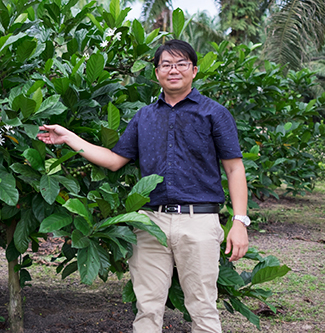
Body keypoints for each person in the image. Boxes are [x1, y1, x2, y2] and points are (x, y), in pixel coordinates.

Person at [37, 39, 249, 333]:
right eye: (166, 64)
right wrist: (69, 137)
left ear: (194, 70)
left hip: (199, 221)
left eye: (181, 64)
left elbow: (234, 167)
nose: (173, 70)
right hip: (151, 222)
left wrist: (239, 221)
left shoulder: (214, 113)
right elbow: (113, 160)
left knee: (202, 307)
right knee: (147, 309)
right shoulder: (144, 116)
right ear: (156, 72)